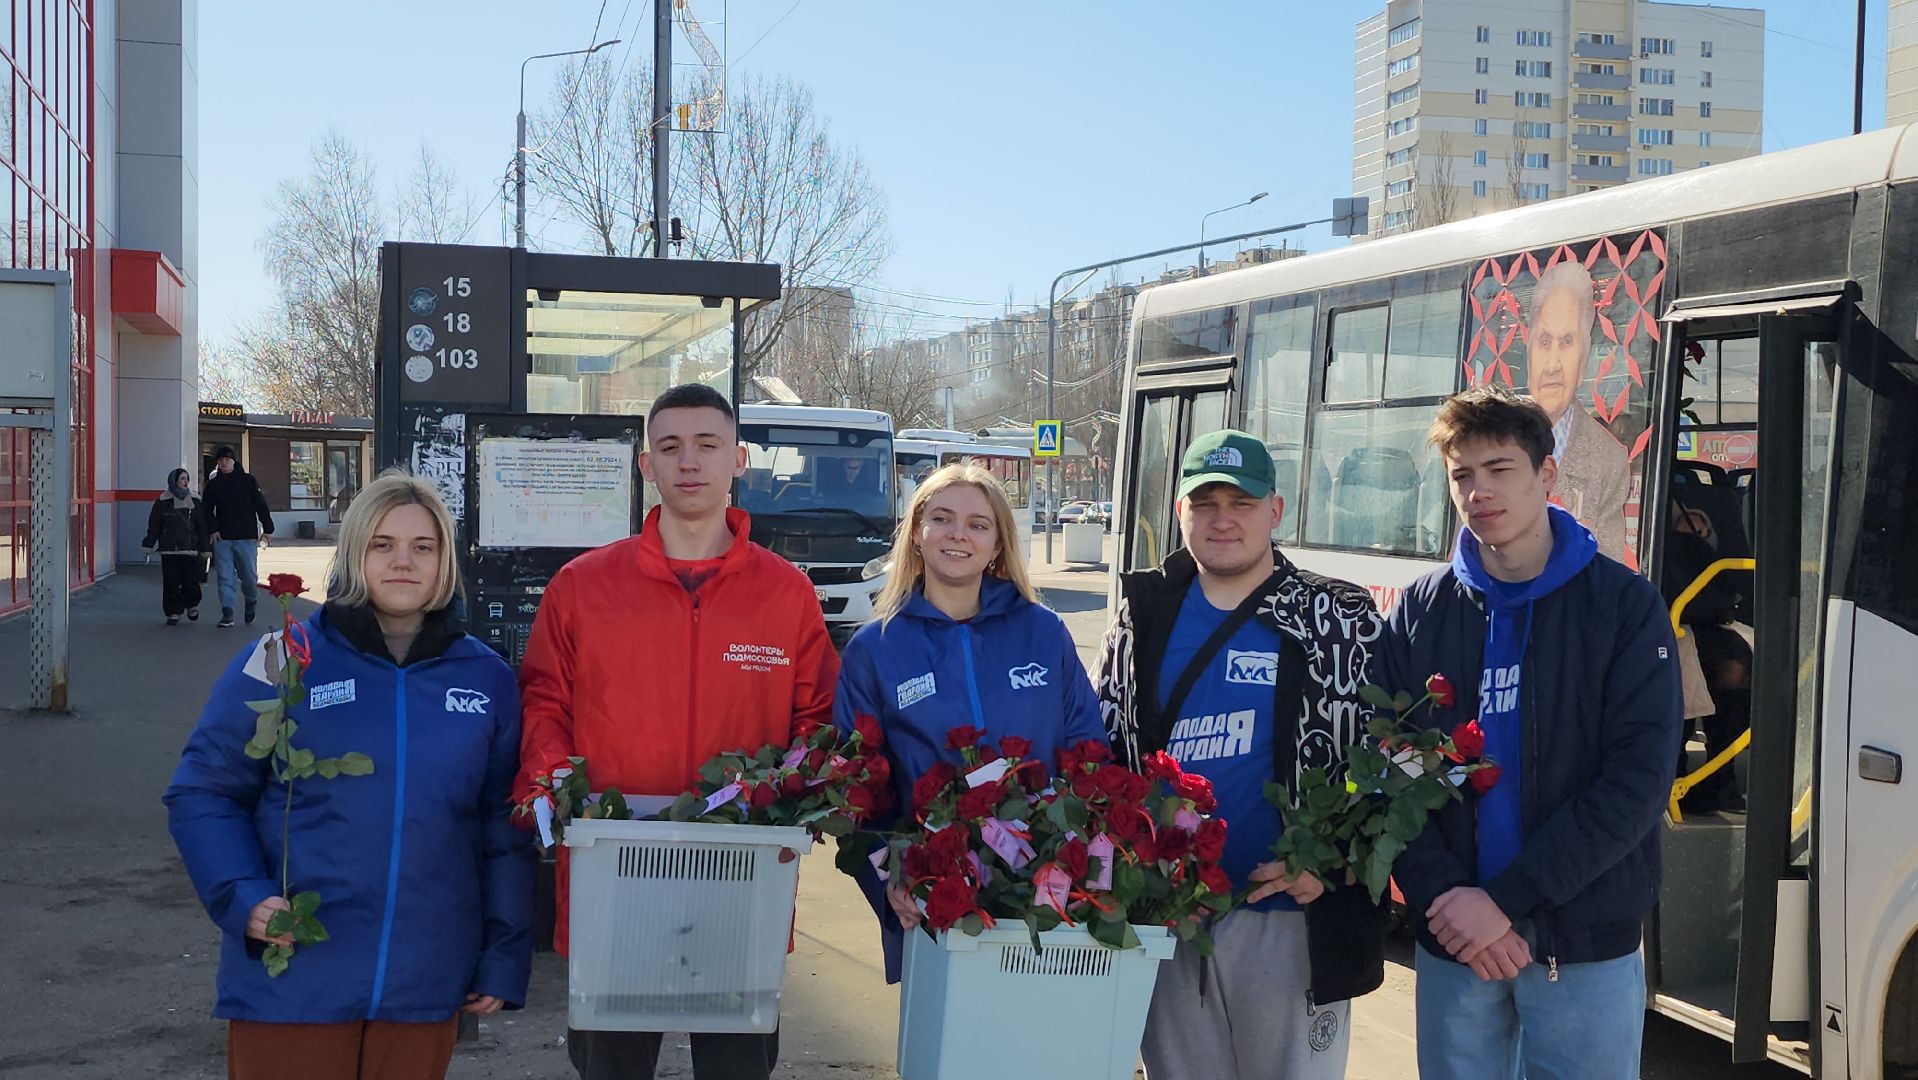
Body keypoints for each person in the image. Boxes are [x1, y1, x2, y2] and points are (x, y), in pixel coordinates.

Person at [164, 470, 534, 1080]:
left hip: (425, 978)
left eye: (424, 547)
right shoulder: (283, 657)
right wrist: (243, 896)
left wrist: (503, 952)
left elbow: (502, 823)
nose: (402, 563)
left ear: (446, 560)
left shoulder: (486, 677)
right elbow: (204, 791)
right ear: (354, 552)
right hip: (295, 969)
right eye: (382, 544)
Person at [516, 383, 838, 1080]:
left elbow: (816, 721)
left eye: (707, 445)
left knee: (736, 1067)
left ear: (739, 459)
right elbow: (545, 701)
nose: (688, 462)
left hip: (740, 877)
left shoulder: (786, 593)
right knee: (613, 1067)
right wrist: (553, 787)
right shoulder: (582, 586)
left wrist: (795, 799)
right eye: (670, 447)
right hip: (616, 871)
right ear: (645, 465)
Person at [1375, 388, 1681, 1080]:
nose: (1480, 490)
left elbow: (1636, 781)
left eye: (1500, 469)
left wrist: (1504, 904)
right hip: (1455, 941)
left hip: (1580, 948)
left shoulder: (1623, 606)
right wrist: (1446, 898)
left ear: (1547, 476)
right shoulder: (1420, 612)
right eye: (1462, 475)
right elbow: (1387, 768)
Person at [1095, 430, 1389, 1080]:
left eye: (1242, 502)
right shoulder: (1142, 619)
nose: (1222, 519)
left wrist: (1338, 860)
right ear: (1181, 513)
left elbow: (1391, 761)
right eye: (1205, 503)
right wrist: (1136, 875)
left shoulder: (1338, 618)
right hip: (1172, 918)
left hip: (1291, 919)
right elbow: (1103, 756)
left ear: (1276, 511)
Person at [833, 461, 1106, 979]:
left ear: (999, 544)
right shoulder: (876, 648)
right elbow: (859, 792)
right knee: (952, 1054)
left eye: (978, 524)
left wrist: (1087, 864)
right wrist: (893, 881)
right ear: (916, 533)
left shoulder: (1044, 633)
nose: (958, 534)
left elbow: (1089, 751)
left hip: (1051, 902)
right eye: (942, 518)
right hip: (938, 902)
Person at [1523, 261, 1631, 558]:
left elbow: (1608, 571)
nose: (1553, 364)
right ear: (1529, 348)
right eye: (1545, 341)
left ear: (1584, 358)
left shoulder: (1608, 458)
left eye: (1567, 342)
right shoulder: (1492, 437)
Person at [202, 445, 276, 628]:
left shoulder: (248, 481)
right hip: (222, 539)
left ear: (233, 461)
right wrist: (213, 529)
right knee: (225, 577)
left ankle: (251, 601)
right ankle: (227, 613)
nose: (224, 462)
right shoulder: (213, 485)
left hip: (246, 537)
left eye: (227, 459)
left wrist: (268, 528)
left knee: (249, 576)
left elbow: (260, 504)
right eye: (220, 460)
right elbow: (205, 510)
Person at [143, 467, 210, 625]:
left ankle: (192, 604)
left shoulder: (194, 501)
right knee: (171, 582)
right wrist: (148, 544)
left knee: (190, 581)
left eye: (186, 478)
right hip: (169, 550)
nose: (185, 481)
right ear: (173, 481)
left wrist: (205, 549)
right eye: (181, 478)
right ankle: (173, 612)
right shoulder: (162, 502)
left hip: (190, 549)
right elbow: (154, 525)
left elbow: (201, 526)